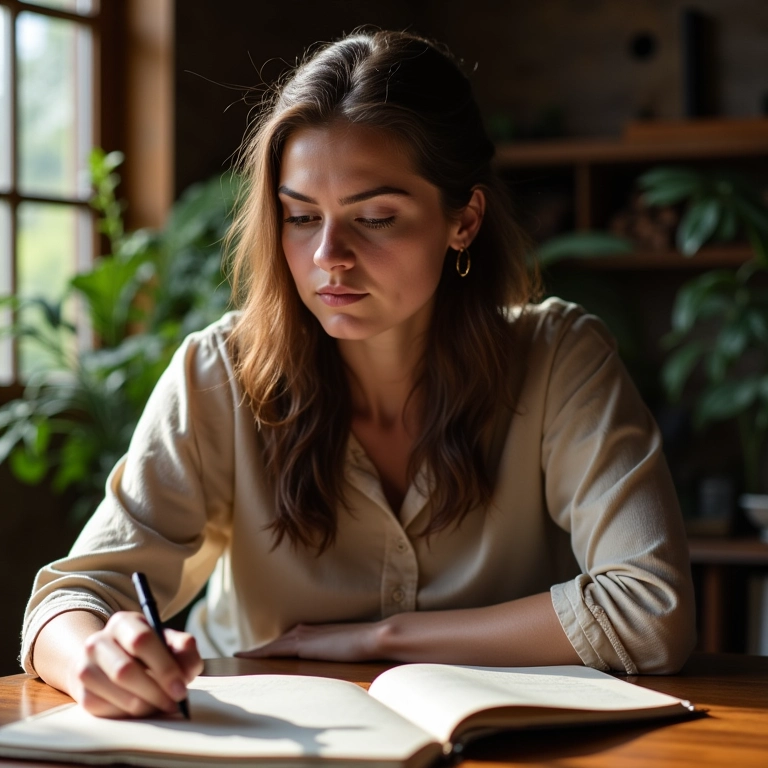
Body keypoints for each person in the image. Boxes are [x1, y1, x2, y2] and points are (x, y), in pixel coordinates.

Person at [22, 29, 695, 719]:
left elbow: (652, 608)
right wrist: (93, 658)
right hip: (261, 747)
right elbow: (66, 604)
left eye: (375, 217)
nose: (328, 256)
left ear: (463, 220)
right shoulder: (217, 374)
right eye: (300, 216)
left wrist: (384, 638)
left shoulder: (557, 359)